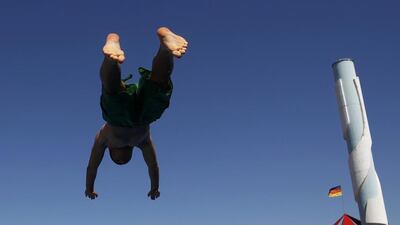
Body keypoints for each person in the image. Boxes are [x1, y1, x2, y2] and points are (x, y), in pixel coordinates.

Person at [85, 27, 188, 200]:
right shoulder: (141, 141)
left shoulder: (108, 137)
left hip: (125, 118)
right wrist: (154, 187)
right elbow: (152, 166)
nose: (121, 161)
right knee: (150, 85)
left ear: (111, 150)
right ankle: (161, 48)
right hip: (138, 117)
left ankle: (114, 55)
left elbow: (93, 167)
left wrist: (89, 188)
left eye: (117, 161)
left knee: (120, 88)